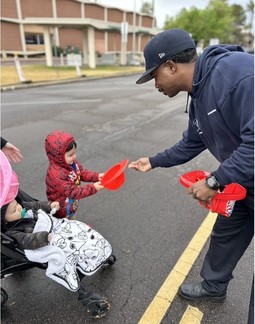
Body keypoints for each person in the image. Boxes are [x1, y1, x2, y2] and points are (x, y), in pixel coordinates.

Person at [129, 28, 254, 323]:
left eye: (154, 75)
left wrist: (214, 181)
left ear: (172, 66)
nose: (155, 84)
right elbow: (192, 141)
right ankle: (213, 286)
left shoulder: (235, 75)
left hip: (242, 170)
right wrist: (155, 161)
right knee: (227, 232)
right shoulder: (198, 91)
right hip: (245, 180)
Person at [1, 195, 114, 319]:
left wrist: (49, 205)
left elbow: (35, 205)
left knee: (78, 229)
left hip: (55, 228)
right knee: (69, 249)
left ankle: (96, 252)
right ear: (4, 220)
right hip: (43, 239)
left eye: (17, 204)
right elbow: (25, 240)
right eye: (14, 211)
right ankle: (88, 267)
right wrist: (43, 238)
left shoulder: (23, 209)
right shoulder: (13, 231)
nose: (19, 208)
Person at [45, 130, 104, 219]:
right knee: (66, 224)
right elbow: (72, 192)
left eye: (74, 153)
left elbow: (82, 172)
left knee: (72, 216)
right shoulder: (56, 174)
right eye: (70, 155)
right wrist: (93, 188)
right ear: (58, 157)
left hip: (70, 203)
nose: (74, 156)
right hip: (61, 209)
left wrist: (97, 176)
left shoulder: (70, 163)